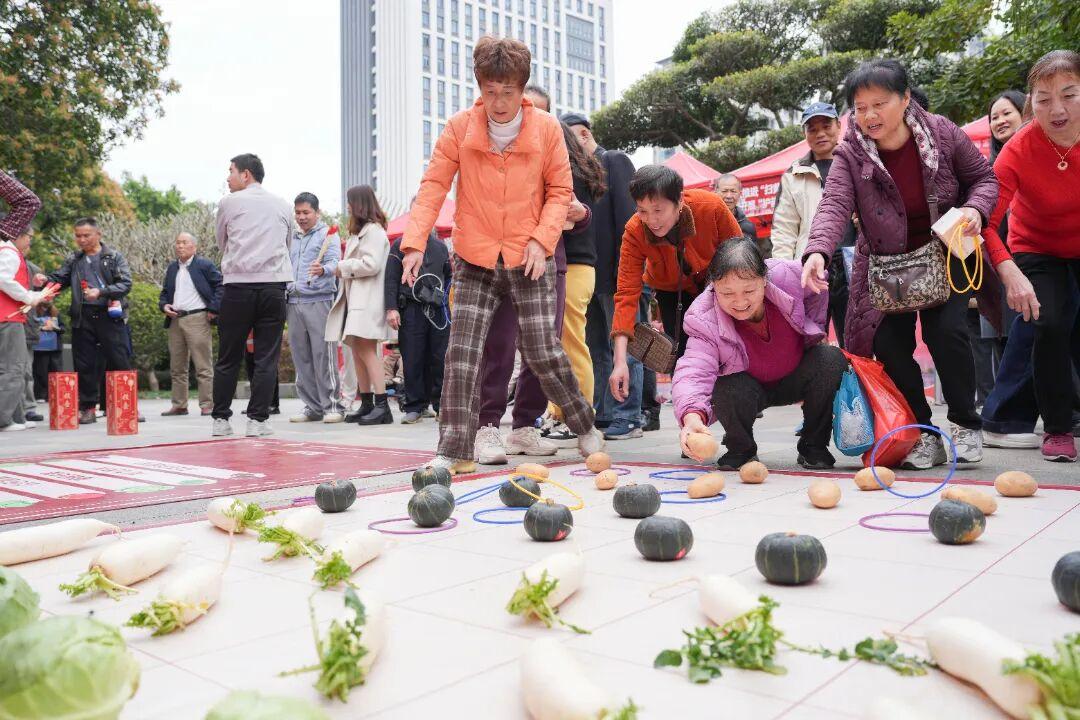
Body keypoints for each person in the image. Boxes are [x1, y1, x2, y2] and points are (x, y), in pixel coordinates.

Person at [401, 36, 604, 473]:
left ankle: (585, 425)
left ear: (522, 88)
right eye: (490, 91)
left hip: (530, 257)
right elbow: (434, 186)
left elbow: (561, 193)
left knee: (542, 350)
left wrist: (541, 240)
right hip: (474, 256)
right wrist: (415, 243)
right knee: (462, 352)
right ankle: (454, 450)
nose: (498, 102)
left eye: (507, 92)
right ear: (480, 86)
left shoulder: (548, 129)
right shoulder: (459, 127)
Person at [801, 59, 1010, 470]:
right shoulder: (850, 153)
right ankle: (923, 431)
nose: (869, 116)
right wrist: (817, 252)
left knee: (947, 332)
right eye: (860, 108)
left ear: (905, 99)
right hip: (884, 266)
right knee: (888, 345)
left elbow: (986, 180)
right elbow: (834, 204)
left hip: (945, 253)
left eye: (879, 104)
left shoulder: (943, 133)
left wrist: (973, 211)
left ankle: (966, 422)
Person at [981, 50, 1080, 462]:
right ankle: (1057, 428)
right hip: (1035, 247)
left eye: (1069, 94)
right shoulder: (1018, 149)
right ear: (1030, 103)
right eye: (1043, 98)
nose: (1056, 109)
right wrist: (1010, 272)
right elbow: (986, 221)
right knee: (1050, 322)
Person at [471, 85, 577, 462]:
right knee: (497, 346)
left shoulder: (557, 150)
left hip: (549, 262)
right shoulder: (487, 148)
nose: (527, 115)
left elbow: (578, 203)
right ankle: (486, 426)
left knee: (542, 347)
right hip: (498, 262)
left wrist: (578, 214)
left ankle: (524, 427)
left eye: (538, 111)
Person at [675, 240, 847, 469]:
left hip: (795, 374)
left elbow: (818, 288)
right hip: (747, 387)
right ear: (713, 286)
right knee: (724, 385)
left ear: (764, 278)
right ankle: (741, 448)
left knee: (829, 359)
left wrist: (814, 330)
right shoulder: (703, 316)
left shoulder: (789, 277)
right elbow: (693, 369)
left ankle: (813, 446)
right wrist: (692, 415)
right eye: (727, 293)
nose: (740, 302)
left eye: (749, 290)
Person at [608, 165, 742, 405]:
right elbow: (626, 293)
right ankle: (691, 416)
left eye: (658, 210)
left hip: (718, 285)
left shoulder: (710, 207)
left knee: (727, 351)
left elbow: (740, 255)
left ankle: (732, 401)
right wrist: (619, 362)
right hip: (671, 293)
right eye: (642, 211)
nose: (651, 220)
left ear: (679, 201)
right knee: (681, 359)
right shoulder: (634, 230)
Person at [564, 112, 654, 437]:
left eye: (571, 143)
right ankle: (604, 412)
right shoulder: (579, 176)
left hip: (621, 275)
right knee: (595, 348)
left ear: (585, 136)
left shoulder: (614, 161)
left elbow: (631, 219)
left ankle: (629, 415)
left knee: (626, 347)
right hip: (591, 275)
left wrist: (629, 272)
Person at [211, 153, 293, 437]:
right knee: (266, 356)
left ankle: (221, 420)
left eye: (230, 171)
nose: (228, 177)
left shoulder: (228, 203)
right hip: (273, 284)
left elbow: (222, 241)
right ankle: (258, 421)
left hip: (238, 285)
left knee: (228, 356)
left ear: (246, 174)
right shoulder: (282, 204)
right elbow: (288, 242)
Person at [771, 102, 856, 348]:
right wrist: (784, 274)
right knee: (808, 339)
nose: (820, 134)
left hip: (854, 264)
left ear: (839, 126)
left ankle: (855, 386)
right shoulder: (793, 174)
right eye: (812, 128)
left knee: (855, 343)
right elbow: (785, 230)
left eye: (826, 126)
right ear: (805, 134)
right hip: (810, 268)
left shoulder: (856, 164)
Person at [46, 218, 134, 425]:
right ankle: (87, 408)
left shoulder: (113, 257)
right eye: (78, 235)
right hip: (82, 316)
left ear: (98, 234)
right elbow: (60, 279)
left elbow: (126, 283)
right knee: (84, 363)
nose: (82, 239)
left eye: (86, 235)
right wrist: (45, 282)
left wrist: (102, 292)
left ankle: (128, 406)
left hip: (109, 315)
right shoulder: (74, 259)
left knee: (119, 359)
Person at [325, 185, 395, 425]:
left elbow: (372, 264)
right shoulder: (361, 232)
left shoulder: (374, 232)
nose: (347, 207)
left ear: (359, 204)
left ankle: (381, 404)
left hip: (367, 300)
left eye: (350, 202)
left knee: (366, 351)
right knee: (357, 351)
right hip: (357, 300)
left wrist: (342, 267)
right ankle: (367, 402)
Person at [385, 212, 451, 425]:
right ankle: (415, 406)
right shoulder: (399, 245)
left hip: (438, 311)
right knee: (412, 358)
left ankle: (441, 405)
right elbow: (391, 278)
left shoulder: (440, 247)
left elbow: (449, 276)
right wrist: (391, 308)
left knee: (439, 358)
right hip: (411, 309)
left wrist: (446, 299)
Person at [286, 192, 343, 424]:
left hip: (319, 300)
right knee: (301, 357)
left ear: (317, 213)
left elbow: (335, 263)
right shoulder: (291, 237)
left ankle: (333, 405)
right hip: (293, 301)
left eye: (306, 212)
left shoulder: (328, 235)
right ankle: (312, 406)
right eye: (298, 212)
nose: (301, 217)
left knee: (324, 355)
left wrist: (324, 270)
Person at [159, 232, 222, 417]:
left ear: (194, 246)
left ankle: (207, 404)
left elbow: (220, 285)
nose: (180, 246)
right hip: (175, 319)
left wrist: (213, 309)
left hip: (198, 318)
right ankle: (179, 405)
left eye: (184, 242)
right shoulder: (172, 268)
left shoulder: (204, 265)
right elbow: (164, 293)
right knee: (177, 366)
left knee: (203, 365)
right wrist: (164, 306)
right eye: (177, 242)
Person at [0, 171, 43, 432]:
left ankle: (13, 417)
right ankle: (5, 419)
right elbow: (28, 202)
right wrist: (29, 296)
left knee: (10, 369)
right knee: (13, 369)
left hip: (10, 315)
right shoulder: (6, 246)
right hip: (7, 317)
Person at [13, 232, 44, 423]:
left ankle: (28, 407)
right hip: (9, 321)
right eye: (27, 236)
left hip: (25, 325)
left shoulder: (32, 268)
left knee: (25, 369)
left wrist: (42, 288)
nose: (29, 241)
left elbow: (42, 299)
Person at [715, 174, 762, 250]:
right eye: (724, 191)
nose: (729, 196)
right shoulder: (707, 222)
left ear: (740, 193)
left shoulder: (748, 226)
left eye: (733, 191)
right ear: (716, 192)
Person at [31, 300, 62, 402]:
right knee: (40, 371)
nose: (45, 308)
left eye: (47, 306)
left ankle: (54, 394)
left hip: (54, 347)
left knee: (55, 370)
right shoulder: (33, 312)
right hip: (40, 348)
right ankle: (40, 394)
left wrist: (54, 327)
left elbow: (63, 328)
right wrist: (42, 327)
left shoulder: (56, 313)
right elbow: (30, 327)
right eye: (43, 306)